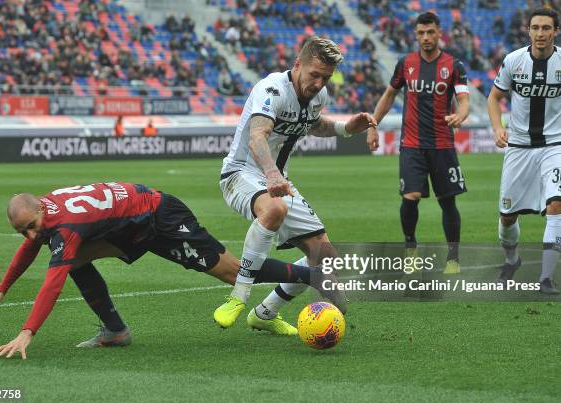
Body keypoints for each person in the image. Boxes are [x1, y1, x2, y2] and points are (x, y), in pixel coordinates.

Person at [0, 182, 343, 359]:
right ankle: (115, 332)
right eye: (23, 231)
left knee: (230, 272)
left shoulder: (63, 226)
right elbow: (31, 244)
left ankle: (311, 275)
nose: (31, 235)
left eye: (32, 226)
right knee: (76, 259)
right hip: (131, 225)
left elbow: (51, 283)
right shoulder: (47, 209)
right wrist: (3, 287)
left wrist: (27, 332)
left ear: (40, 212)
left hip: (159, 217)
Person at [215, 36, 377, 333]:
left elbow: (312, 122)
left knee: (326, 260)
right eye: (314, 74)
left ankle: (264, 314)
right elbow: (257, 136)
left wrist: (345, 128)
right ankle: (238, 296)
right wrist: (272, 174)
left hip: (278, 180)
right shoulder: (271, 89)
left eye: (325, 77)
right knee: (274, 208)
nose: (318, 83)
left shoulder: (319, 96)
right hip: (241, 174)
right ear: (297, 65)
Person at [366, 12, 470, 275]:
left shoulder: (453, 66)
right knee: (410, 197)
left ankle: (453, 257)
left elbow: (464, 99)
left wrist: (461, 114)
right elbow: (389, 94)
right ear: (415, 35)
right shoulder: (405, 64)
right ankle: (410, 247)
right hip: (411, 143)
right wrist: (373, 125)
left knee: (447, 201)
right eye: (421, 33)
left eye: (430, 32)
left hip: (443, 144)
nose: (426, 38)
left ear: (439, 33)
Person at [487, 8, 560, 294]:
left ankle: (545, 277)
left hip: (555, 145)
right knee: (507, 216)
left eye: (546, 28)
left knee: (556, 205)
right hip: (518, 147)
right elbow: (494, 97)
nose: (540, 33)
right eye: (535, 28)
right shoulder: (513, 61)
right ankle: (512, 260)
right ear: (528, 31)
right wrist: (497, 128)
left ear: (555, 31)